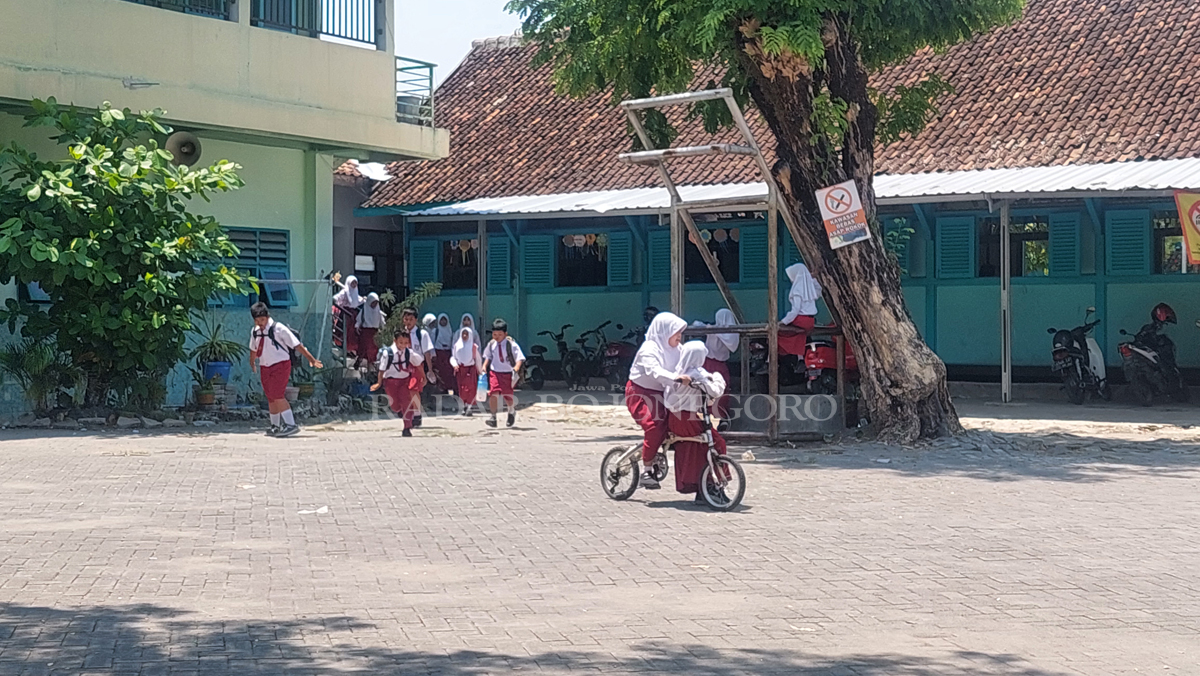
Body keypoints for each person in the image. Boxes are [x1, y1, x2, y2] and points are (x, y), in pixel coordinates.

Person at [625, 311, 688, 489]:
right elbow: (655, 371)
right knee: (653, 426)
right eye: (675, 331)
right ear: (664, 332)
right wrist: (677, 379)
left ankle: (655, 453)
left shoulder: (679, 349)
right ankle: (646, 469)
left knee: (674, 425)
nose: (679, 336)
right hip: (640, 393)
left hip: (663, 393)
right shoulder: (649, 348)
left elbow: (690, 366)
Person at [664, 341, 728, 503]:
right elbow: (715, 390)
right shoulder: (696, 373)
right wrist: (718, 377)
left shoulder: (677, 372)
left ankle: (701, 486)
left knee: (694, 448)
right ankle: (711, 484)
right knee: (716, 444)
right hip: (688, 418)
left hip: (675, 419)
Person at [249, 302, 323, 438]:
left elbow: (297, 345)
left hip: (280, 365)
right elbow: (253, 349)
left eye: (263, 320)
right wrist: (252, 362)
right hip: (265, 366)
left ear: (267, 316)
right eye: (257, 321)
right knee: (271, 397)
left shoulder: (279, 329)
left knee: (277, 395)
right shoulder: (255, 332)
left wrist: (311, 359)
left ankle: (291, 424)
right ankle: (275, 426)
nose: (261, 323)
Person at [370, 328, 423, 437]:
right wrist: (379, 383)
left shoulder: (409, 352)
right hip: (390, 382)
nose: (403, 345)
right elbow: (382, 370)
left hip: (404, 381)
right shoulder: (388, 353)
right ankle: (399, 410)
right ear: (395, 341)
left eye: (406, 343)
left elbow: (418, 364)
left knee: (406, 402)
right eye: (401, 342)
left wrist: (423, 377)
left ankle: (407, 427)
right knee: (394, 405)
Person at [694, 308, 738, 427]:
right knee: (703, 389)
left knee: (722, 390)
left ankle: (722, 417)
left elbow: (732, 344)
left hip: (720, 364)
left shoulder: (731, 332)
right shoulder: (713, 328)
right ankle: (705, 417)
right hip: (707, 363)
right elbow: (697, 325)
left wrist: (713, 330)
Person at [481, 318, 525, 428]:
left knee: (508, 396)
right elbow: (488, 356)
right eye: (494, 334)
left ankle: (511, 411)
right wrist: (484, 366)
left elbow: (520, 358)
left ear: (505, 334)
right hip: (495, 372)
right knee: (493, 393)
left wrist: (516, 368)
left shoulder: (511, 344)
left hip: (508, 373)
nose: (497, 337)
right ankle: (493, 417)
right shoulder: (491, 344)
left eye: (499, 334)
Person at [778, 262, 822, 357]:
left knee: (777, 332)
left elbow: (795, 310)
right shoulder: (810, 289)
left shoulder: (797, 290)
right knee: (799, 335)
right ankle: (800, 358)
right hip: (810, 321)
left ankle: (773, 359)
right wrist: (812, 278)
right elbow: (818, 290)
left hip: (801, 320)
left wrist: (783, 322)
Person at [402, 307, 436, 427]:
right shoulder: (401, 334)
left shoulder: (422, 334)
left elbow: (427, 353)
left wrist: (430, 370)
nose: (408, 322)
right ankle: (408, 413)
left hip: (417, 365)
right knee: (404, 390)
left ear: (416, 320)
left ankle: (417, 414)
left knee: (414, 389)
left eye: (411, 319)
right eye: (406, 319)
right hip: (404, 366)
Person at [450, 325, 482, 416]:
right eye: (463, 334)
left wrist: (480, 370)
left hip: (471, 369)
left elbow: (478, 359)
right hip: (461, 370)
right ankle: (464, 405)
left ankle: (469, 406)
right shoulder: (457, 345)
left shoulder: (474, 347)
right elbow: (453, 357)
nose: (464, 336)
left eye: (466, 334)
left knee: (471, 388)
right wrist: (455, 365)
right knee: (462, 389)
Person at [332, 274, 363, 358]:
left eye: (355, 283)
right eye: (352, 283)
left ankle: (350, 349)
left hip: (353, 315)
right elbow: (337, 297)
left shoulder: (355, 292)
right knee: (345, 331)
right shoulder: (345, 291)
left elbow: (357, 301)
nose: (354, 285)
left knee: (352, 333)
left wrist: (364, 300)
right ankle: (345, 347)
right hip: (345, 314)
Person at [355, 292, 385, 368]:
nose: (374, 304)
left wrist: (384, 329)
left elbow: (382, 322)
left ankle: (371, 367)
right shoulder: (364, 311)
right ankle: (360, 360)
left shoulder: (378, 312)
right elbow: (359, 320)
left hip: (375, 333)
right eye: (373, 302)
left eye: (376, 303)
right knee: (364, 349)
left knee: (373, 350)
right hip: (366, 333)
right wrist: (357, 326)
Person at [432, 313, 455, 393]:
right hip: (439, 353)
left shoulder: (450, 330)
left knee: (449, 372)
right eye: (441, 320)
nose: (443, 321)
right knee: (440, 372)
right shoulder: (435, 331)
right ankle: (442, 388)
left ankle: (450, 387)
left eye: (445, 320)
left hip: (448, 353)